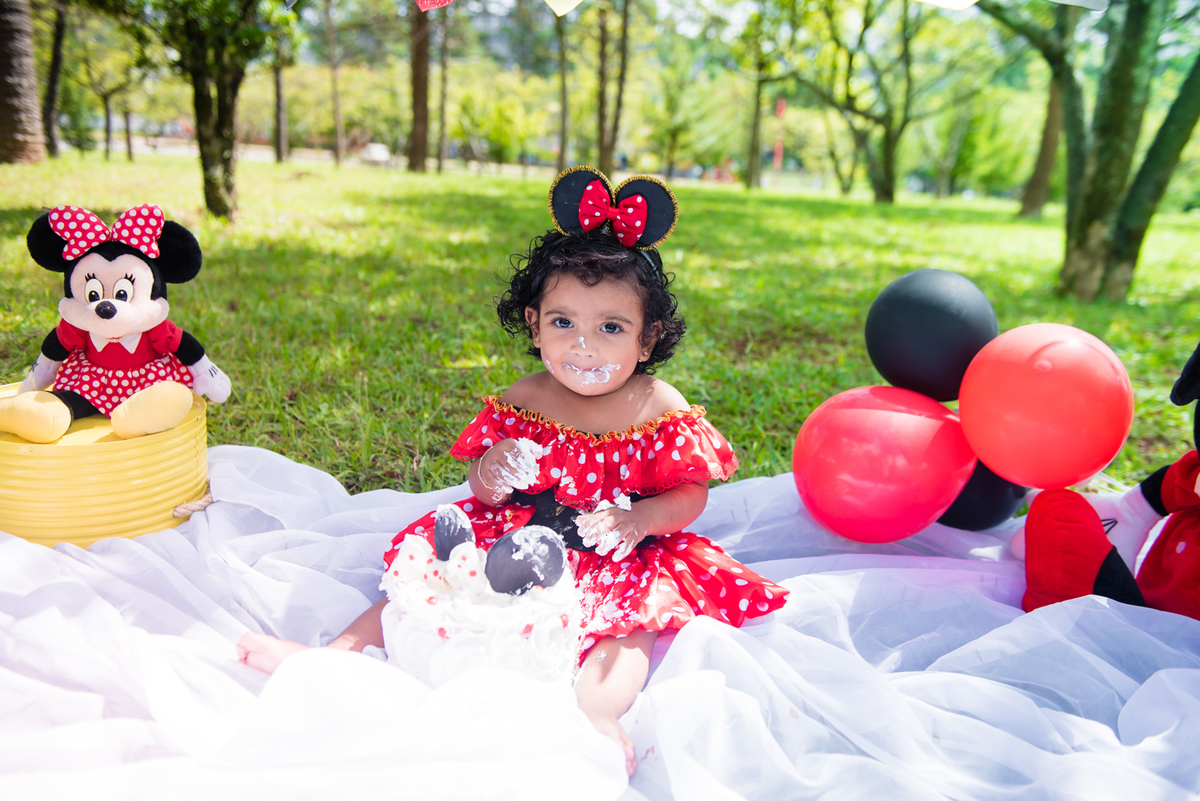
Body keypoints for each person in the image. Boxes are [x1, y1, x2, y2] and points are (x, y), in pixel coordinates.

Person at [237, 168, 789, 775]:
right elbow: (481, 483)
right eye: (563, 323)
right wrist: (493, 471)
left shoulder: (656, 404)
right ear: (534, 324)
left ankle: (598, 706)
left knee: (634, 621)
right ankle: (340, 653)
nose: (584, 346)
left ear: (648, 338)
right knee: (428, 579)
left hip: (613, 544)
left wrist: (642, 519)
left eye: (611, 327)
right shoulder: (525, 396)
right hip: (515, 530)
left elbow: (689, 491)